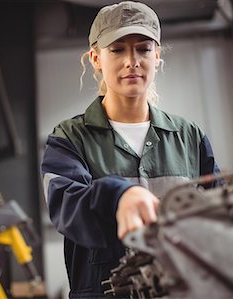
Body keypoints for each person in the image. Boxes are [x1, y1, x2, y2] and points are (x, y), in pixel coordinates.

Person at [40, 1, 222, 298]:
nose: (132, 61)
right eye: (118, 49)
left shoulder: (190, 137)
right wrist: (117, 195)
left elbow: (220, 218)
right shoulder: (69, 138)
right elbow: (67, 207)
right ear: (96, 58)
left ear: (157, 55)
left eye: (143, 48)